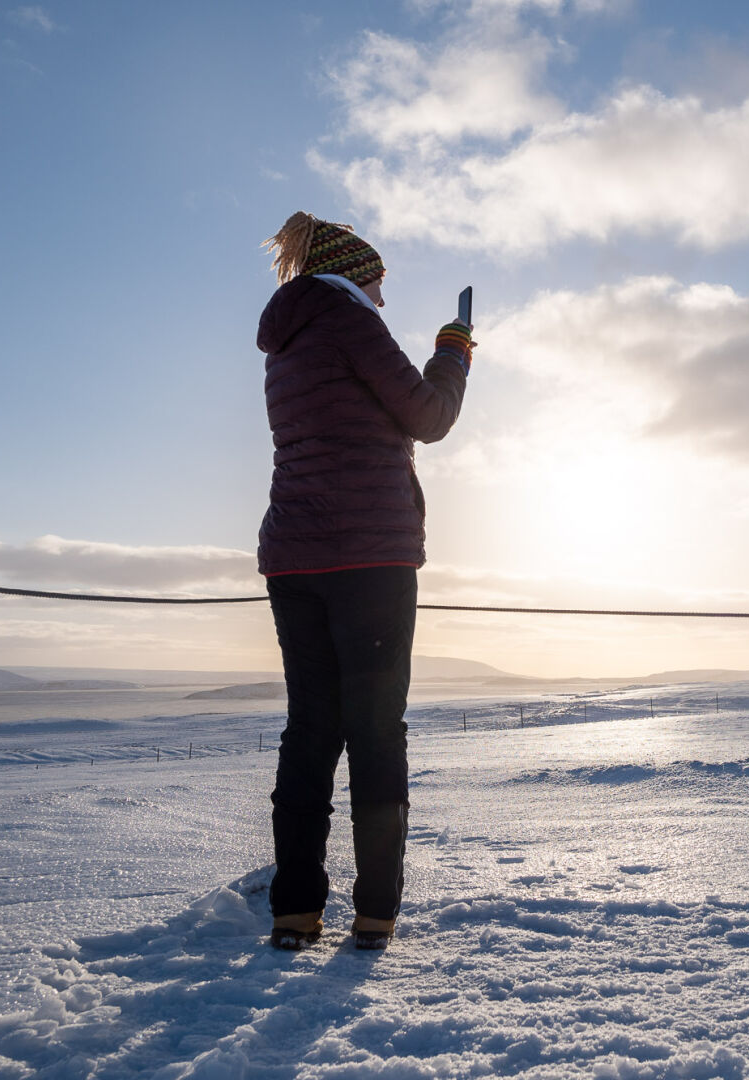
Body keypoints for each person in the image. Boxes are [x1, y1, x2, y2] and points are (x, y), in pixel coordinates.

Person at [255, 211, 472, 950]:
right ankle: (375, 912)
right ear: (354, 276)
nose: (383, 300)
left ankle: (294, 912)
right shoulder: (349, 319)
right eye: (378, 285)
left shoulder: (283, 340)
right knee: (376, 730)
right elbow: (428, 415)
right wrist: (454, 351)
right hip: (371, 557)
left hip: (293, 557)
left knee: (310, 730)